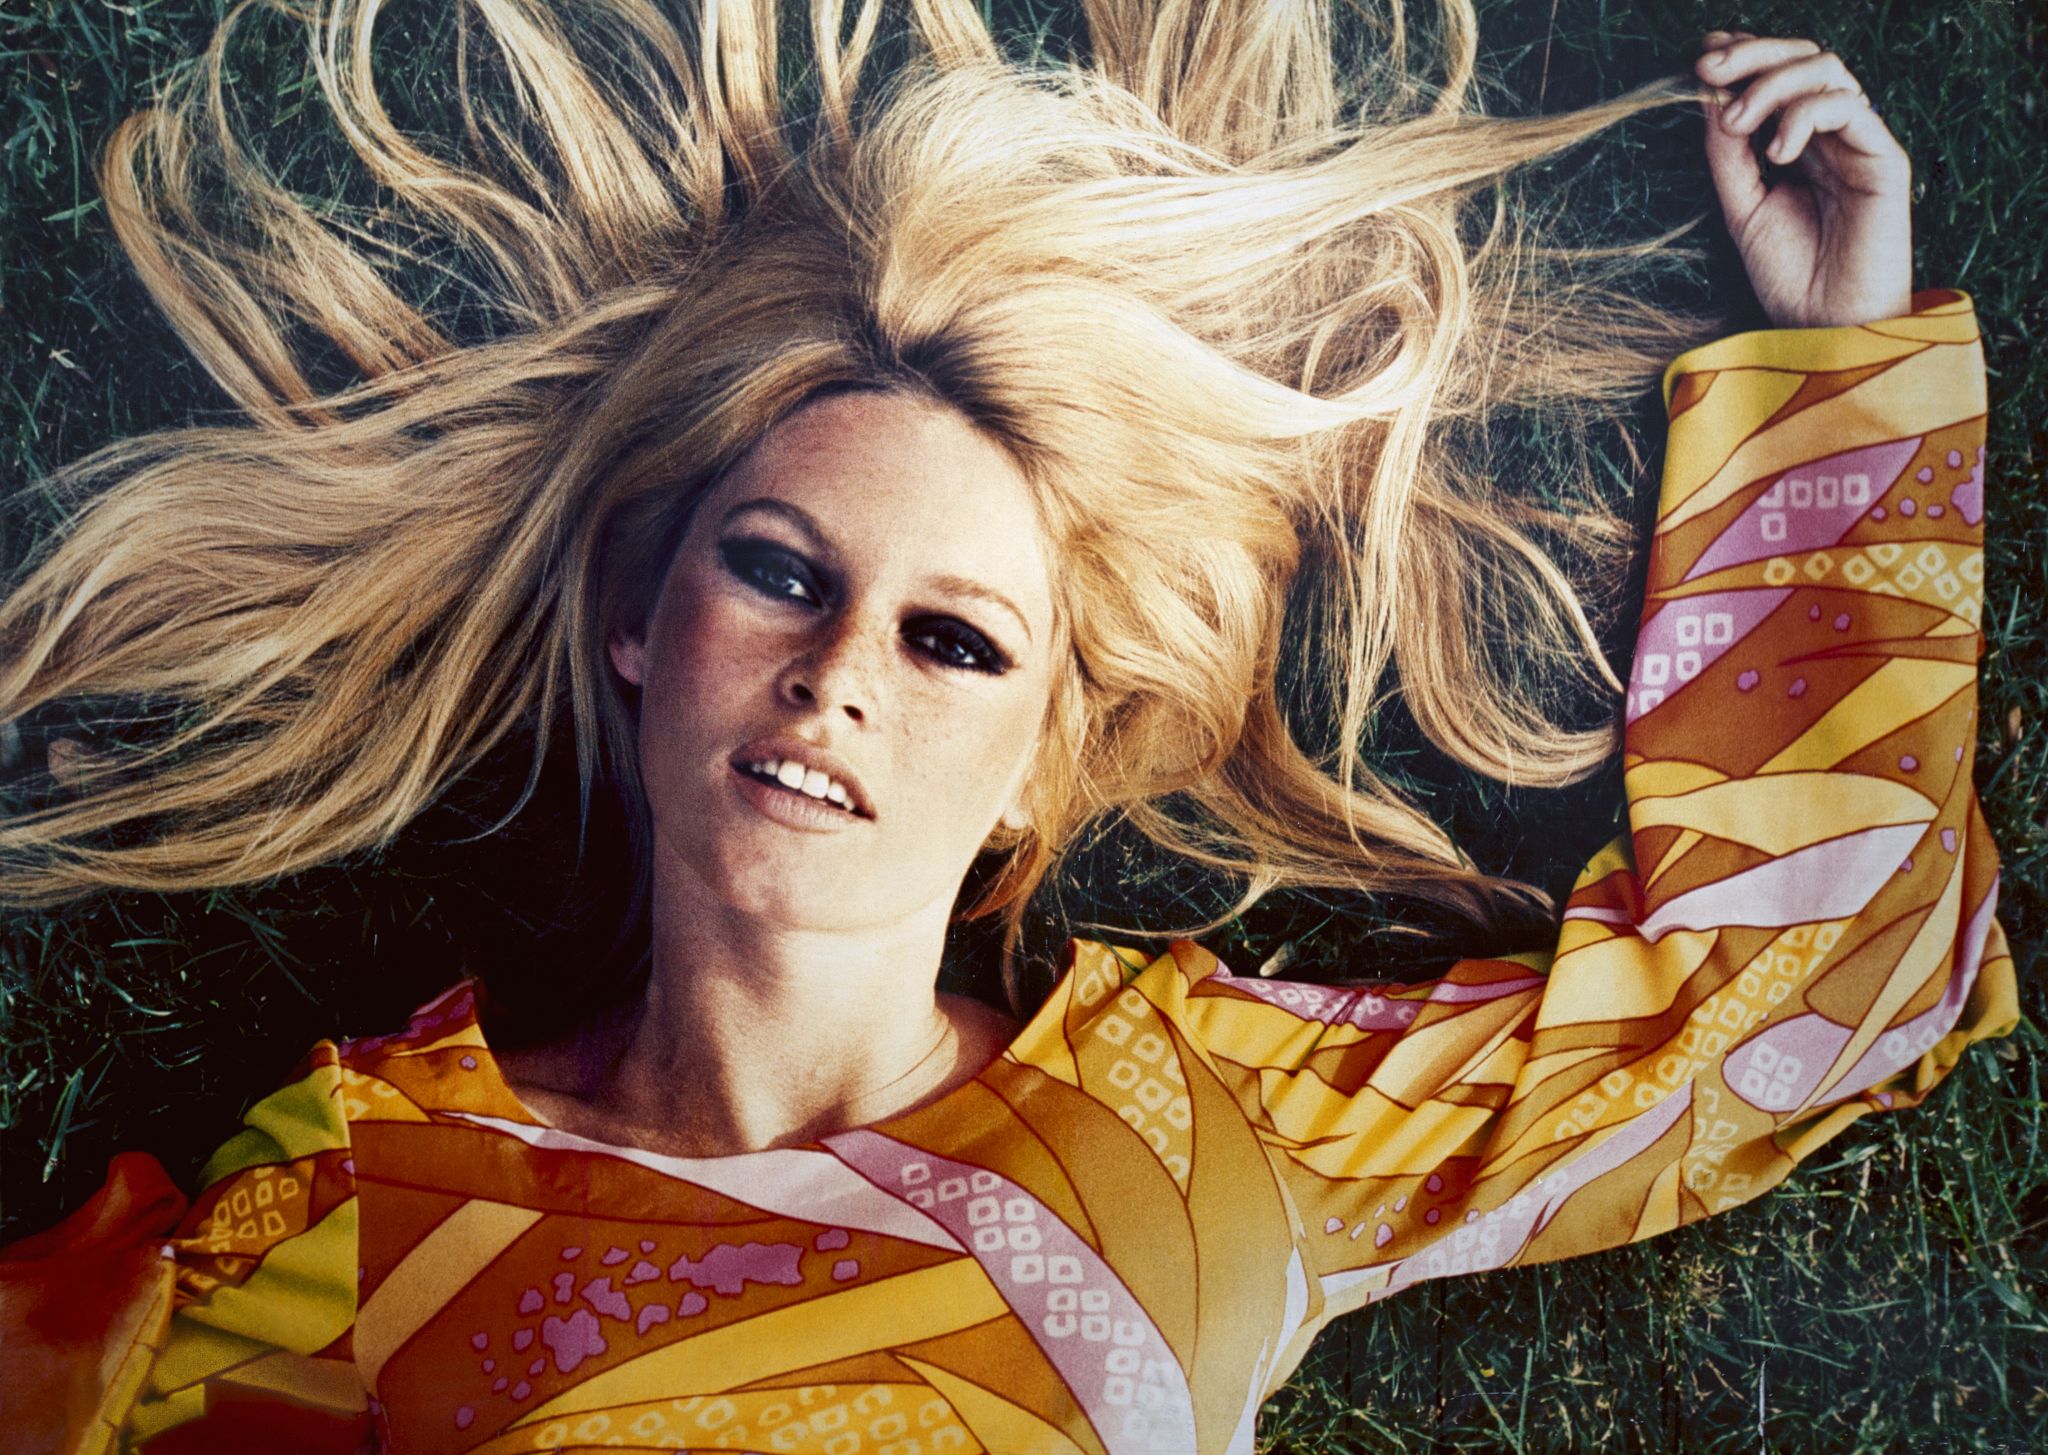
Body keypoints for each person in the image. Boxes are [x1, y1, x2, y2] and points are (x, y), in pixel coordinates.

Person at [0, 1, 2018, 1451]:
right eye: (782, 571)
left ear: (1043, 763)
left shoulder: (1193, 1114)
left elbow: (1783, 993)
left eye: (955, 639)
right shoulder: (361, 1192)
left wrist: (1835, 359)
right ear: (641, 622)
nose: (838, 669)